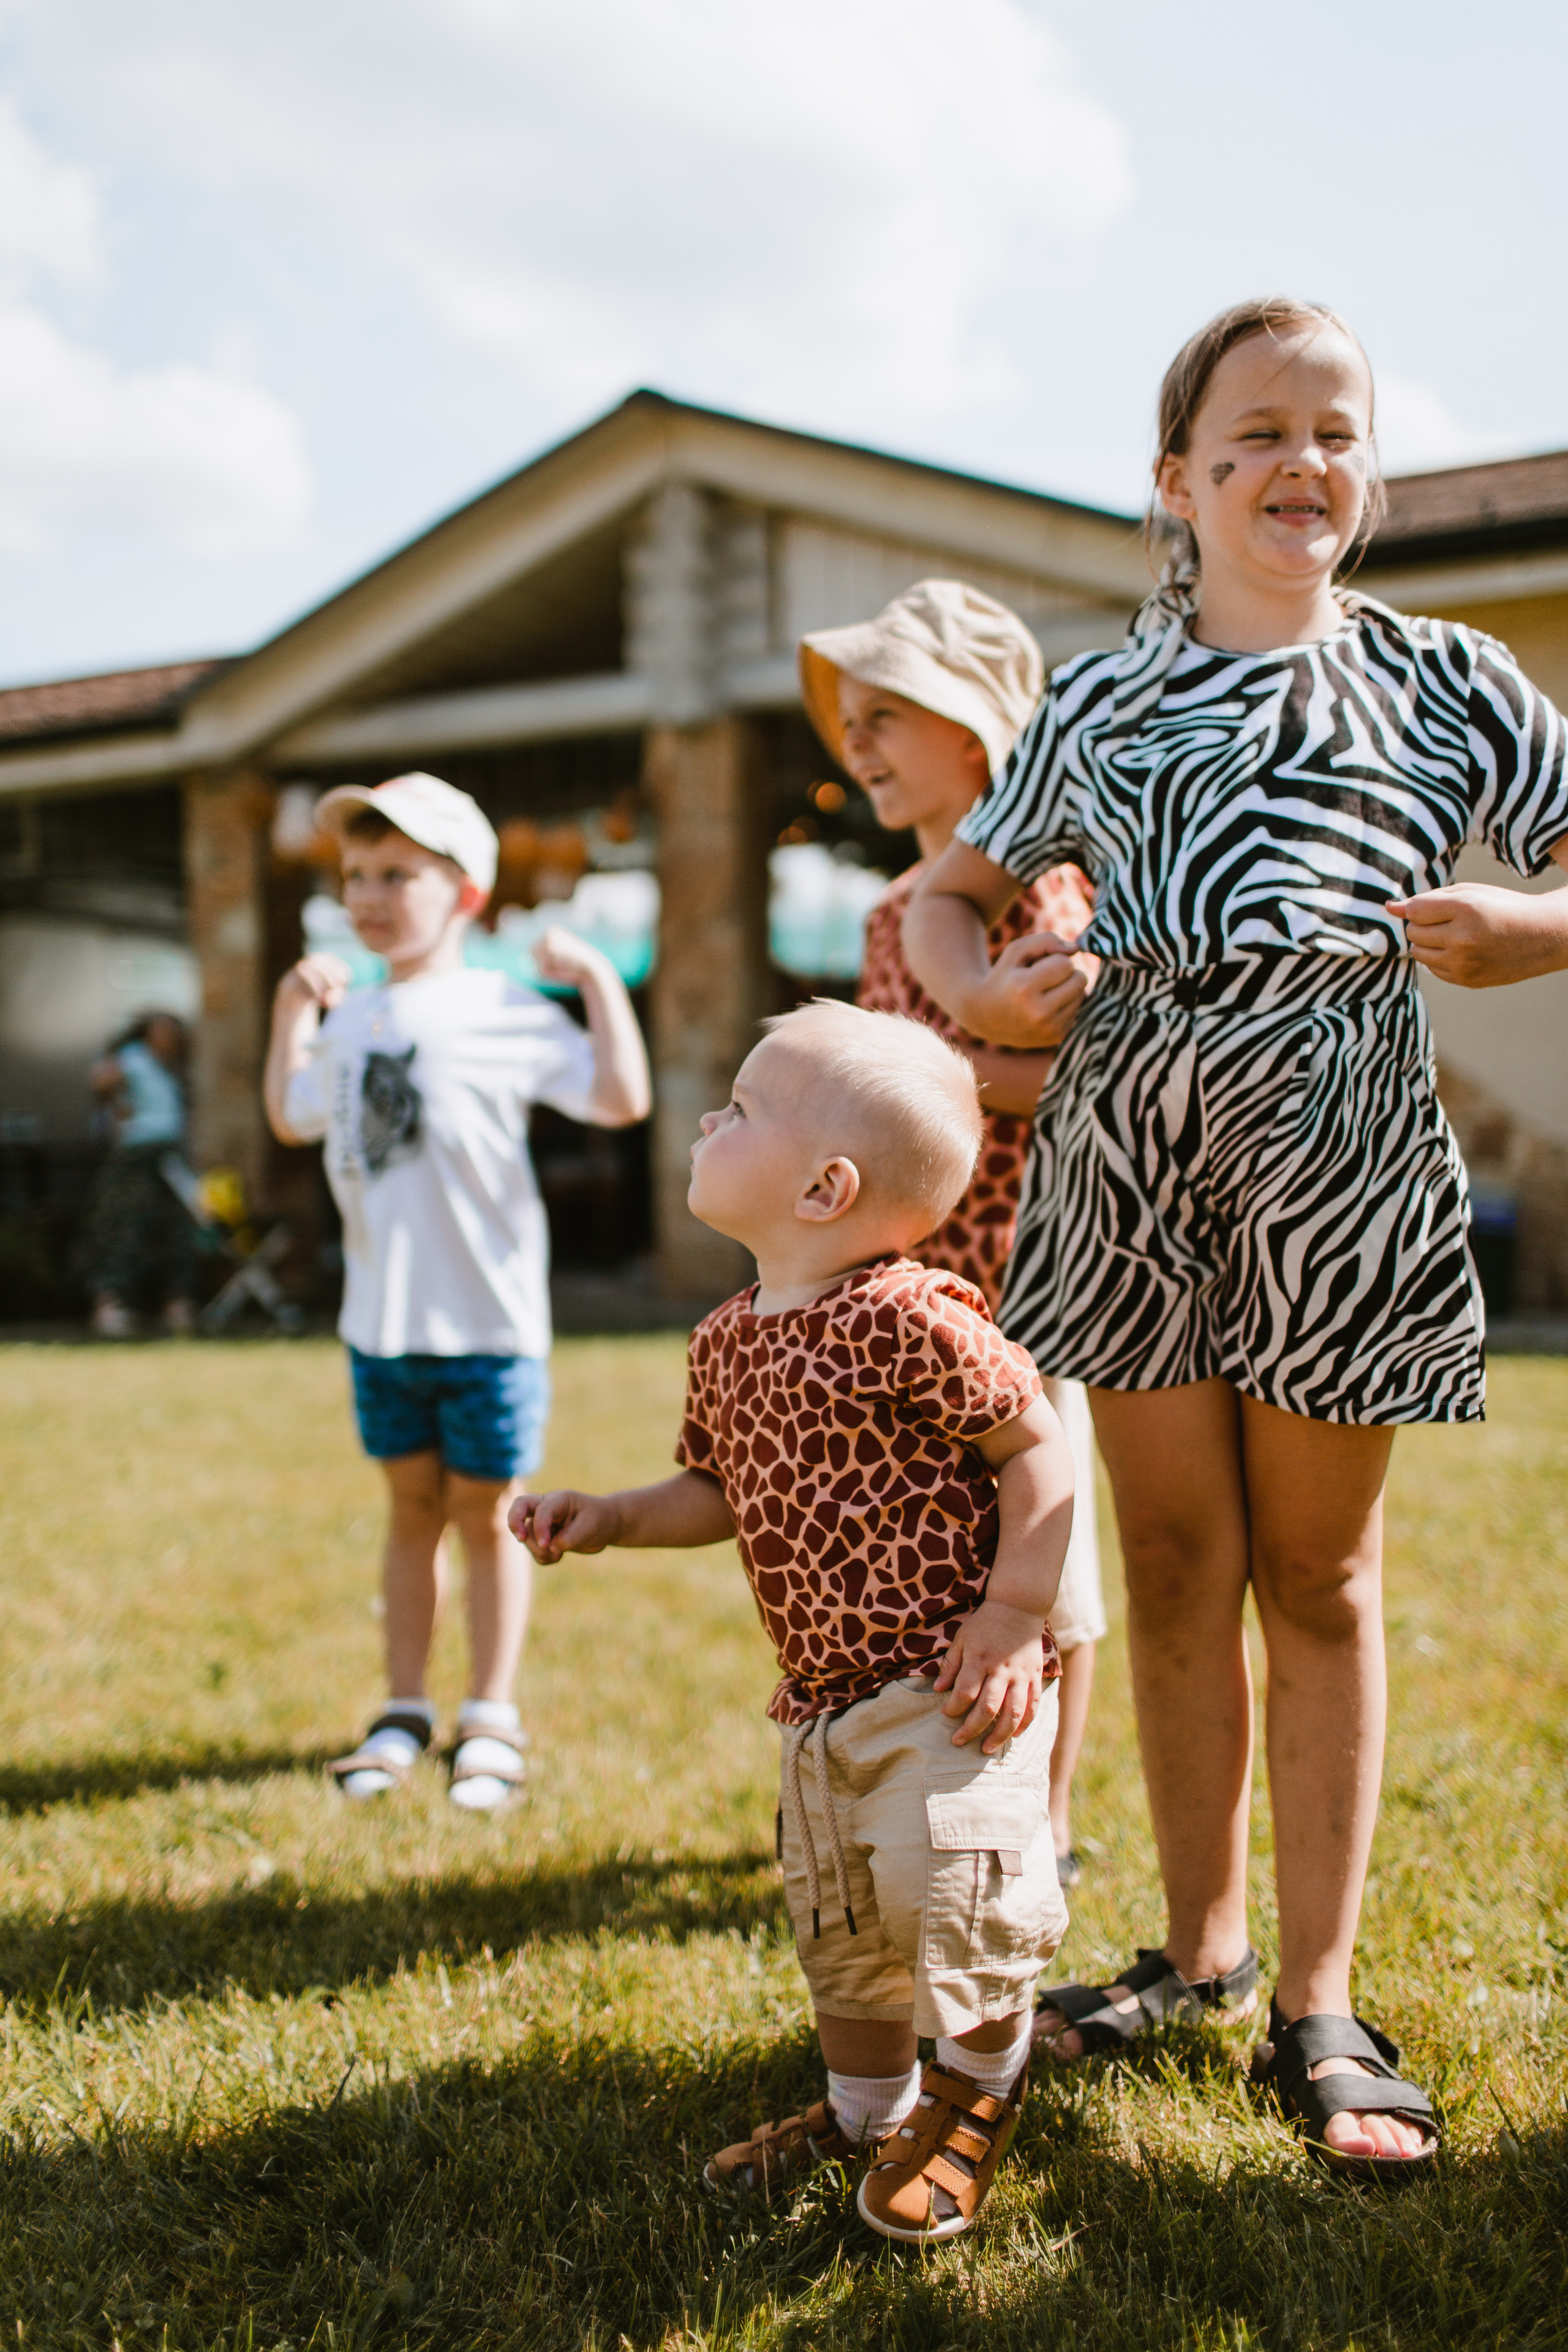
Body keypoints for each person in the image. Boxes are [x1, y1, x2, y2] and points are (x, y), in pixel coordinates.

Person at [902, 296, 1568, 2182]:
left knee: (1320, 1574)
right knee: (1178, 1558)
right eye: (1259, 432)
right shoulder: (1099, 700)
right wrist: (989, 995)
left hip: (1344, 1156)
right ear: (1177, 481)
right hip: (1132, 1152)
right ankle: (1200, 1955)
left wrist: (1535, 931)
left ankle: (1320, 1998)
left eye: (1337, 431)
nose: (1304, 462)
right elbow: (946, 898)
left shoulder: (1448, 678)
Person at [513, 1001, 1075, 2244]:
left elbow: (1038, 1453)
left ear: (825, 1189)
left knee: (956, 1905)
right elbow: (716, 1489)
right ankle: (867, 2109)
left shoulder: (914, 1315)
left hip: (945, 1687)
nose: (706, 1122)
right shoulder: (727, 1339)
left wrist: (1012, 1613)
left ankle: (977, 2093)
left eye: (739, 1110)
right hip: (820, 1702)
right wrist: (611, 1517)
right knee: (844, 1928)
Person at [263, 771, 651, 1812]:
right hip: (380, 1324)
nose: (369, 894)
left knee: (487, 1519)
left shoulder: (502, 1008)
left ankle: (490, 1713)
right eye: (356, 875)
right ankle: (403, 1709)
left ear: (467, 893)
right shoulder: (350, 1016)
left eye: (398, 874)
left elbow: (621, 1097)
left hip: (488, 1324)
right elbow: (294, 1116)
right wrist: (290, 1014)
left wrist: (597, 980)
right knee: (409, 1512)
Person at [799, 580, 1107, 1887]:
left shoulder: (1044, 894)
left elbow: (1092, 1070)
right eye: (851, 718)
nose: (855, 742)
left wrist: (927, 1077)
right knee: (940, 1551)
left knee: (1047, 1555)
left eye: (886, 715)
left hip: (1032, 1285)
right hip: (917, 1290)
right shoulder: (890, 915)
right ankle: (933, 1786)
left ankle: (1049, 1819)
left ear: (974, 738)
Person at [86, 1011, 200, 1337]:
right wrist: (117, 1104)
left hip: (171, 1151)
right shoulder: (133, 1057)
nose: (169, 1039)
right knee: (127, 1222)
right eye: (162, 1032)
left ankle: (176, 1302)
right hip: (139, 1150)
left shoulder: (172, 1068)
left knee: (177, 1224)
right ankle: (110, 1303)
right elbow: (101, 1082)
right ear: (148, 1034)